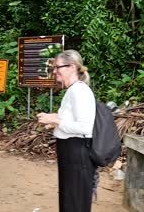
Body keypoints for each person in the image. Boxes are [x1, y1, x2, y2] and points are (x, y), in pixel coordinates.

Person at [36, 50, 96, 212]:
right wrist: (54, 119)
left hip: (77, 154)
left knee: (74, 203)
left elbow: (85, 127)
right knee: (69, 199)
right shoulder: (73, 90)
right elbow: (73, 120)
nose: (54, 71)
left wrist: (56, 120)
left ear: (71, 67)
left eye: (57, 67)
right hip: (71, 153)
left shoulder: (79, 91)